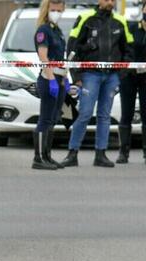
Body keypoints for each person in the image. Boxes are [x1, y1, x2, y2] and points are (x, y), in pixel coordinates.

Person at [61, 0, 134, 168]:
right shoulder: (85, 18)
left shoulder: (120, 21)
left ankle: (101, 154)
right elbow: (72, 48)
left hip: (111, 77)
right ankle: (72, 153)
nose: (110, 2)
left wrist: (121, 75)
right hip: (89, 75)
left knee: (104, 116)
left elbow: (129, 50)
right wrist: (76, 75)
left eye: (112, 0)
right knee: (85, 113)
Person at [32, 0, 68, 170]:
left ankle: (47, 155)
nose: (56, 13)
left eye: (59, 10)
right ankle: (38, 158)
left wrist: (65, 79)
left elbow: (62, 58)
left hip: (60, 79)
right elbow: (43, 56)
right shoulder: (43, 30)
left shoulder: (57, 31)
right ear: (47, 10)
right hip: (48, 80)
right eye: (53, 10)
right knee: (45, 119)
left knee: (53, 119)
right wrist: (52, 79)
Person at [116, 1, 146, 164]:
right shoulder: (131, 28)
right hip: (129, 77)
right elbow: (122, 48)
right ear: (142, 9)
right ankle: (123, 152)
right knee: (126, 114)